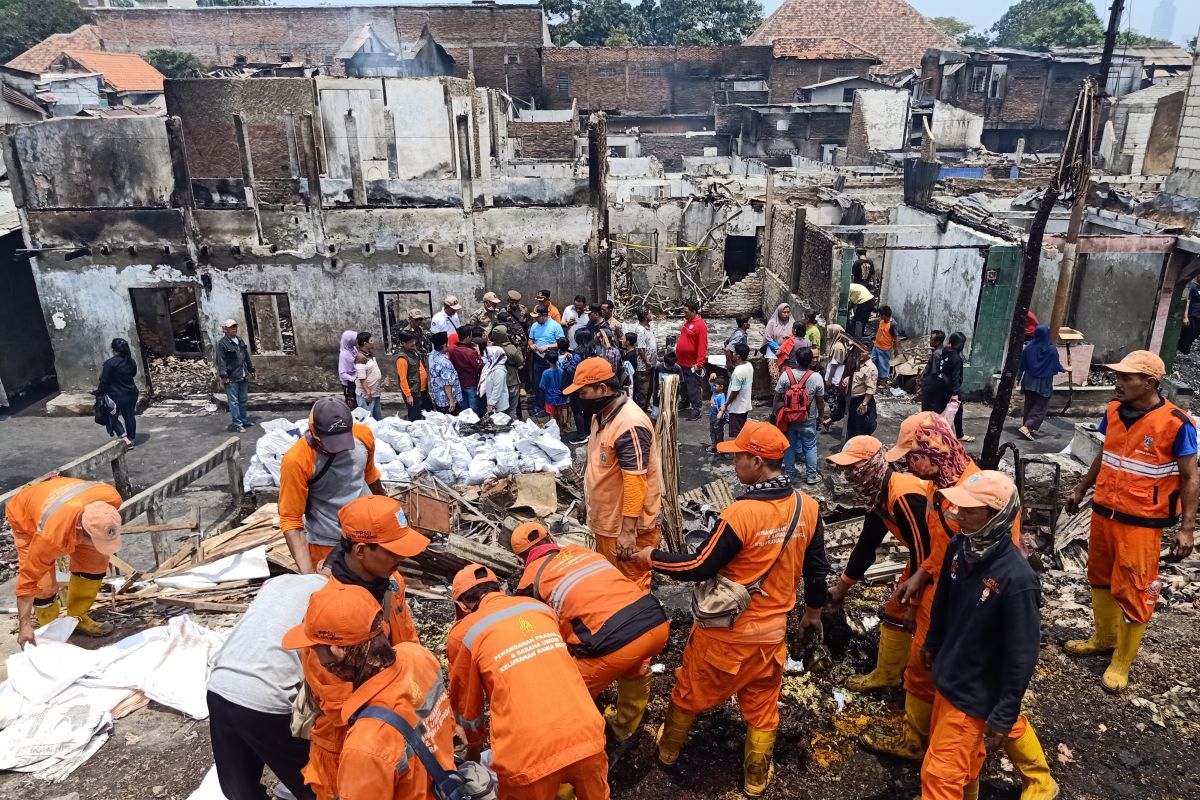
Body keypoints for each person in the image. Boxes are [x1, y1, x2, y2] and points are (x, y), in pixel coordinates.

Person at [629, 421, 828, 797]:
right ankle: (755, 776)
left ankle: (668, 751)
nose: (734, 461)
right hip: (771, 636)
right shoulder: (809, 507)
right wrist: (813, 613)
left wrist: (650, 557)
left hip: (725, 635)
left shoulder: (741, 514)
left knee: (690, 689)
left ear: (756, 461)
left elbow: (698, 567)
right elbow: (817, 569)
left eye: (738, 455)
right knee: (763, 703)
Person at [862, 413, 1029, 789]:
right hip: (942, 590)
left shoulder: (982, 496)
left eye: (912, 455)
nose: (908, 464)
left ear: (933, 450)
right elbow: (944, 548)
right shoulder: (936, 487)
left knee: (976, 692)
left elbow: (1001, 563)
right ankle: (914, 741)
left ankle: (1034, 775)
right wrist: (921, 575)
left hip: (969, 602)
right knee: (921, 667)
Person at [1063, 350, 1197, 693]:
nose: (1117, 384)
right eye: (1117, 377)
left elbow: (1189, 478)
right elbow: (1105, 454)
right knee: (1100, 577)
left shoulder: (1177, 423)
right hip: (1104, 511)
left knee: (1136, 590)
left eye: (1126, 378)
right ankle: (1104, 638)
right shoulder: (1113, 411)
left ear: (1149, 383)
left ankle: (1121, 662)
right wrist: (1081, 489)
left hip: (1142, 523)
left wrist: (1186, 528)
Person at [921, 471, 1056, 800]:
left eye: (970, 511)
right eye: (960, 508)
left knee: (940, 776)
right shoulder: (960, 547)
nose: (960, 516)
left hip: (975, 693)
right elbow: (944, 599)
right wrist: (933, 641)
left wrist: (1006, 711)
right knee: (963, 766)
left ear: (996, 517)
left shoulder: (1017, 580)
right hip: (951, 677)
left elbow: (1021, 655)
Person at [299, 495, 429, 800]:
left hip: (401, 728)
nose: (402, 558)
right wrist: (402, 713)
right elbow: (338, 703)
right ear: (361, 549)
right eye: (393, 550)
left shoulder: (391, 580)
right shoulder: (330, 612)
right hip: (351, 748)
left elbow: (408, 640)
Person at [446, 564, 610, 800]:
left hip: (525, 755)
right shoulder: (539, 608)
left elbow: (467, 708)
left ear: (461, 605)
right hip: (586, 733)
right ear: (501, 588)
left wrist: (472, 758)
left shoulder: (464, 633)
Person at [283, 581, 455, 800]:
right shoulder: (416, 655)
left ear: (337, 651)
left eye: (316, 651)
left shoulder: (365, 744)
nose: (317, 660)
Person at [509, 522, 669, 743]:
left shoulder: (529, 583)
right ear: (552, 541)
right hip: (654, 623)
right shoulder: (582, 551)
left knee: (565, 698)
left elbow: (544, 636)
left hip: (613, 644)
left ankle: (581, 752)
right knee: (633, 665)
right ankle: (625, 727)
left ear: (521, 560)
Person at [207, 574, 326, 800]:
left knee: (240, 788)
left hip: (220, 684)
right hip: (268, 696)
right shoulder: (335, 596)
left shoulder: (279, 581)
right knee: (312, 786)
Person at [826, 436, 931, 692]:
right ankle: (887, 675)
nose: (848, 475)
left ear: (872, 465)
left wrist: (915, 605)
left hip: (939, 565)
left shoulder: (903, 495)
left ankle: (923, 687)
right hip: (924, 563)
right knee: (895, 611)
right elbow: (866, 546)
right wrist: (840, 590)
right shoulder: (878, 497)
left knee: (927, 627)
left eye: (853, 468)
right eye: (845, 469)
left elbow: (925, 551)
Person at [564, 357, 662, 590]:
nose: (580, 399)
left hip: (624, 529)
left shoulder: (630, 425)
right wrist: (586, 500)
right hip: (608, 523)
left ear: (603, 389)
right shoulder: (601, 417)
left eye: (583, 393)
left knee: (631, 587)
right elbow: (600, 468)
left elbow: (635, 482)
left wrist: (628, 533)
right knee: (612, 583)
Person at [8, 477, 123, 648]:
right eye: (95, 539)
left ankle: (77, 617)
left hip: (62, 499)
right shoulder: (49, 538)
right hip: (25, 515)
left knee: (95, 562)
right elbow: (27, 582)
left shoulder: (112, 498)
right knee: (43, 586)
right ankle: (53, 631)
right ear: (79, 531)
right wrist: (25, 625)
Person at [278, 397, 385, 574]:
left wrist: (388, 515)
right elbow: (291, 520)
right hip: (327, 546)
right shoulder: (297, 461)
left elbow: (370, 476)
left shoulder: (363, 435)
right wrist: (308, 576)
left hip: (368, 540)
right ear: (314, 432)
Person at [773, 348, 827, 485]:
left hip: (788, 417)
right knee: (810, 446)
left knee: (789, 445)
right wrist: (821, 416)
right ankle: (811, 476)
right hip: (808, 418)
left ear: (796, 360)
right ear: (811, 361)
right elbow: (820, 401)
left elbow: (777, 395)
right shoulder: (816, 377)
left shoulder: (786, 375)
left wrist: (775, 412)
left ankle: (790, 474)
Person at [1017, 325, 1064, 440]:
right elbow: (1056, 366)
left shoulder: (1028, 347)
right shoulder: (1051, 350)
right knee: (1040, 406)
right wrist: (1066, 369)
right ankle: (1027, 427)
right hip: (1043, 382)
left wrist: (1018, 378)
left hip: (1028, 380)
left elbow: (1022, 364)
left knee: (1029, 404)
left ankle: (1027, 426)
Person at [923, 332, 967, 441]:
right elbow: (955, 376)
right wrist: (955, 393)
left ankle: (930, 432)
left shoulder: (944, 352)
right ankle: (957, 434)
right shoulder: (956, 358)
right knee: (955, 410)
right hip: (949, 388)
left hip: (940, 386)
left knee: (937, 411)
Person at [98, 337, 138, 447]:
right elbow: (133, 374)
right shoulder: (131, 362)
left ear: (113, 349)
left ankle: (125, 439)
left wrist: (99, 393)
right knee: (129, 416)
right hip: (131, 393)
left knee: (110, 416)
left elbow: (104, 380)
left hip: (115, 395)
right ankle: (132, 438)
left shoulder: (110, 363)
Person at [217, 318, 255, 433]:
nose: (234, 329)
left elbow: (246, 356)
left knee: (243, 400)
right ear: (225, 330)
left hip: (242, 375)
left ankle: (243, 420)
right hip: (231, 377)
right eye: (231, 327)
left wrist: (251, 369)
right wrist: (224, 376)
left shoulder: (239, 340)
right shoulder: (222, 344)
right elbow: (221, 361)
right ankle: (238, 424)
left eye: (235, 327)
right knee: (234, 402)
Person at [529, 304, 565, 417]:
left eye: (538, 317)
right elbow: (531, 339)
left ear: (545, 316)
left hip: (550, 358)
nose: (536, 319)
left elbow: (561, 342)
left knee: (551, 384)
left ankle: (550, 408)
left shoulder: (555, 326)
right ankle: (539, 407)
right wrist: (532, 345)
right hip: (537, 358)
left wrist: (547, 347)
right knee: (539, 383)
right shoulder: (535, 326)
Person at [676, 299, 708, 421]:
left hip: (691, 364)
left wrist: (699, 363)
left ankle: (696, 409)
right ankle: (685, 402)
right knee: (683, 386)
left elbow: (702, 345)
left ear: (694, 312)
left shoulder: (700, 325)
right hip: (681, 363)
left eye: (686, 312)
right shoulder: (687, 322)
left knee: (693, 387)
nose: (685, 314)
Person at [490, 325, 525, 419]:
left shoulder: (491, 348)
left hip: (497, 382)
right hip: (511, 381)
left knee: (501, 409)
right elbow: (520, 361)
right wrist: (518, 348)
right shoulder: (511, 348)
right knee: (512, 410)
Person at [394, 330, 429, 422]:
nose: (413, 343)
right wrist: (408, 395)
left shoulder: (415, 352)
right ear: (403, 343)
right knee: (415, 419)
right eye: (410, 342)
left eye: (413, 340)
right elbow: (403, 379)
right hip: (414, 393)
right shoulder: (402, 359)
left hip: (423, 390)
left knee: (428, 414)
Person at [449, 325, 485, 415]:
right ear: (468, 337)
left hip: (459, 383)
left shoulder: (453, 350)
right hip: (471, 383)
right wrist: (479, 354)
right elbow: (479, 366)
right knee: (473, 410)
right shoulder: (470, 352)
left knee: (463, 410)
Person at [427, 331, 462, 415]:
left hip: (438, 396)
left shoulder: (432, 355)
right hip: (446, 400)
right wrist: (451, 400)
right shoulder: (445, 363)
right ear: (444, 346)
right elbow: (447, 384)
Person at [847, 349, 879, 437]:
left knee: (863, 428)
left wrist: (864, 403)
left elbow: (871, 388)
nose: (860, 353)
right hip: (852, 400)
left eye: (863, 351)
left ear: (869, 352)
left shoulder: (871, 368)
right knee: (851, 427)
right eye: (859, 351)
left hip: (862, 400)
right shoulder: (857, 364)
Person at [352, 331, 383, 421]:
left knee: (377, 418)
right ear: (365, 343)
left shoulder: (369, 353)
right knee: (367, 420)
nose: (373, 341)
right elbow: (362, 378)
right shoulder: (360, 357)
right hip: (366, 394)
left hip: (374, 392)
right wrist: (368, 393)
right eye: (371, 340)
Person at [726, 343, 754, 439]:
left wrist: (726, 404)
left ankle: (737, 453)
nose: (732, 354)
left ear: (738, 356)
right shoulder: (749, 365)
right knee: (741, 432)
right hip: (745, 404)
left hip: (737, 407)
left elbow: (735, 391)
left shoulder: (738, 372)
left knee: (736, 435)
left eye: (734, 353)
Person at [634, 308, 657, 411]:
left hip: (651, 363)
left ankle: (646, 405)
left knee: (650, 387)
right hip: (644, 366)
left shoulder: (649, 328)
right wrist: (647, 362)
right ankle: (641, 408)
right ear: (644, 316)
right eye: (650, 313)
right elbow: (640, 349)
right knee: (644, 389)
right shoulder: (640, 330)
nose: (652, 314)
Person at [763, 303, 793, 384]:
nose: (786, 314)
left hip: (787, 351)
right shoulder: (772, 322)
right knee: (774, 375)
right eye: (784, 312)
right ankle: (776, 393)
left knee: (787, 375)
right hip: (773, 350)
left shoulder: (792, 322)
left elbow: (795, 336)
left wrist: (788, 340)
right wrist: (777, 347)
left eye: (788, 312)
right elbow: (768, 337)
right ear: (779, 312)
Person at [539, 349, 569, 425]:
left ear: (548, 361)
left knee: (551, 415)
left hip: (550, 397)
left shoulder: (546, 372)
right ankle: (561, 430)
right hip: (560, 396)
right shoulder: (561, 371)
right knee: (560, 413)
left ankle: (553, 430)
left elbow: (541, 385)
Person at [919, 330, 947, 412]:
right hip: (933, 388)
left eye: (931, 339)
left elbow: (934, 372)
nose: (930, 341)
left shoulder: (936, 354)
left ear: (937, 342)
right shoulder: (942, 351)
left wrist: (924, 380)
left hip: (930, 387)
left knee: (926, 411)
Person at [480, 341, 510, 414]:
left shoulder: (499, 371)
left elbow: (497, 389)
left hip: (499, 407)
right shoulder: (491, 366)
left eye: (489, 356)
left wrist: (491, 403)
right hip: (494, 404)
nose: (487, 357)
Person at [652, 350, 683, 418]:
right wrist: (655, 393)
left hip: (671, 396)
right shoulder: (658, 367)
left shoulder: (677, 368)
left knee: (668, 416)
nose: (668, 367)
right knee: (655, 415)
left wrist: (677, 395)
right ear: (664, 361)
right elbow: (655, 380)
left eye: (670, 366)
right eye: (667, 365)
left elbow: (680, 383)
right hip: (658, 395)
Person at [872, 305, 899, 382]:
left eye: (880, 314)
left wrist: (896, 349)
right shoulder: (882, 322)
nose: (879, 316)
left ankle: (883, 381)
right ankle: (875, 378)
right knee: (874, 361)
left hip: (885, 349)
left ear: (884, 315)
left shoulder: (893, 324)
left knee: (883, 365)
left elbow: (896, 337)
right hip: (876, 346)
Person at [708, 374, 728, 454]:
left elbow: (723, 405)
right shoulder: (714, 392)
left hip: (718, 418)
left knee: (719, 432)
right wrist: (712, 375)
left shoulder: (722, 396)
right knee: (712, 431)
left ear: (721, 387)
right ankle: (714, 445)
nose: (713, 387)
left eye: (715, 386)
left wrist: (721, 412)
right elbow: (710, 381)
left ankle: (720, 446)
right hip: (712, 416)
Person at [338, 330, 359, 408]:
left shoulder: (353, 348)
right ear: (349, 340)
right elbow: (342, 373)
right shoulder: (344, 355)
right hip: (349, 384)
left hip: (356, 381)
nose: (357, 341)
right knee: (352, 403)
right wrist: (352, 378)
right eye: (355, 339)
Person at [1181, 277, 1200, 354]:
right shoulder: (1192, 286)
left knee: (1195, 334)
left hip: (1198, 317)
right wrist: (1185, 317)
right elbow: (1187, 302)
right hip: (1192, 315)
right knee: (1189, 334)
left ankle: (1185, 351)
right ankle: (1183, 351)